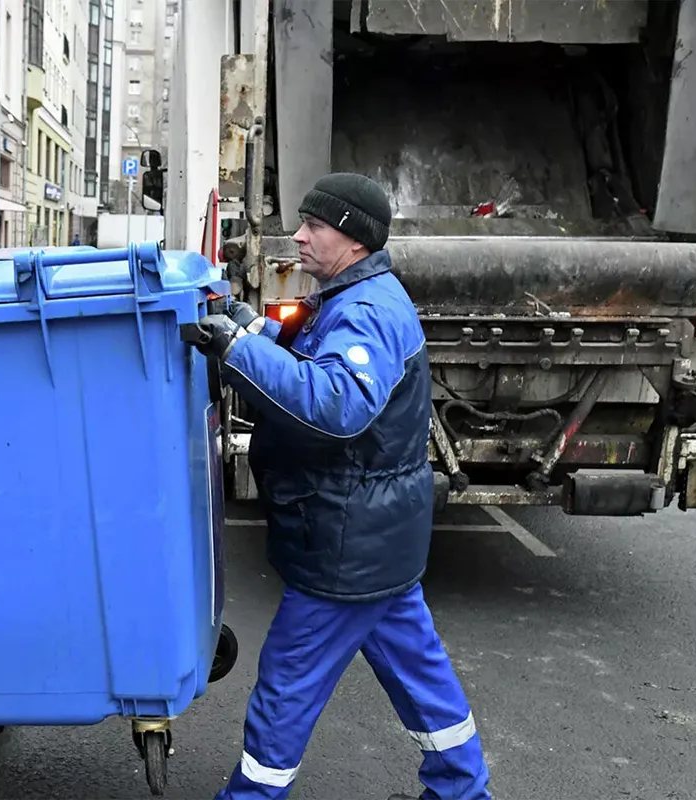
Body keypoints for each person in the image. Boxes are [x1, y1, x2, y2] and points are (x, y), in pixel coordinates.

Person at [189, 173, 492, 800]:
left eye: (314, 226)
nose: (298, 237)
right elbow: (317, 364)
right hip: (372, 536)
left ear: (352, 239)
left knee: (286, 686)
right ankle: (463, 789)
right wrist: (251, 329)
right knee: (420, 675)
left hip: (346, 544)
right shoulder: (356, 296)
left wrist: (239, 352)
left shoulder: (370, 311)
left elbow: (337, 403)